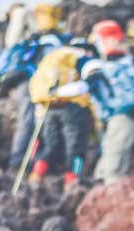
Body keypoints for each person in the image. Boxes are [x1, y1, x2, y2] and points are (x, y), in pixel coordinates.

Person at [66, 20, 134, 183]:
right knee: (125, 169)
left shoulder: (100, 67)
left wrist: (56, 93)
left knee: (113, 172)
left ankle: (111, 202)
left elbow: (83, 87)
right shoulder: (132, 66)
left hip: (120, 121)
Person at [3, 4, 70, 170]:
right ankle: (19, 160)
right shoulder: (52, 41)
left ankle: (26, 158)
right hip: (33, 82)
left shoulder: (34, 39)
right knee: (31, 119)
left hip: (25, 81)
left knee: (29, 119)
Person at [27, 39, 96, 187]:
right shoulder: (81, 58)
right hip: (74, 106)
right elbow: (91, 78)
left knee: (51, 144)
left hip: (49, 105)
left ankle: (36, 176)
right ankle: (72, 181)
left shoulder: (53, 57)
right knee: (76, 146)